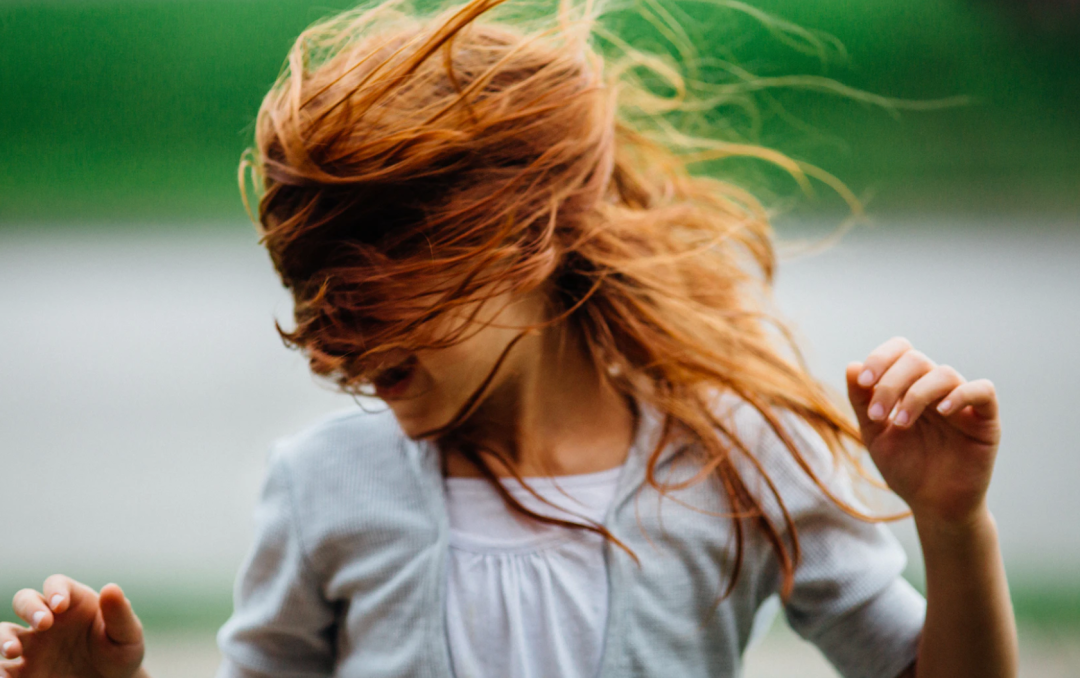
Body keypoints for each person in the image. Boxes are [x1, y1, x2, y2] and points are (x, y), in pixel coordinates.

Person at [0, 0, 1019, 676]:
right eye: (310, 291)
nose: (329, 336)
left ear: (530, 242)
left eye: (379, 289)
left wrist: (950, 519)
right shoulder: (321, 488)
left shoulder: (740, 460)